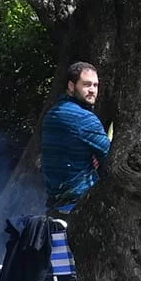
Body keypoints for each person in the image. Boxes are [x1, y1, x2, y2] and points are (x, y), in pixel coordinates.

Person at [41, 62, 111, 216]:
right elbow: (111, 158)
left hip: (55, 203)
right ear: (71, 86)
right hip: (80, 204)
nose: (92, 90)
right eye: (86, 85)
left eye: (95, 85)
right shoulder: (84, 119)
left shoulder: (51, 115)